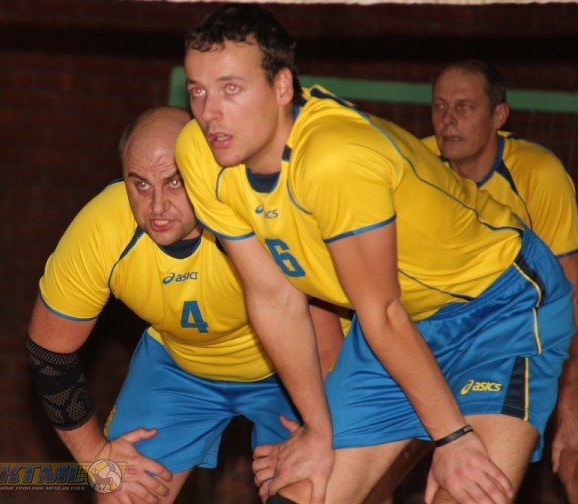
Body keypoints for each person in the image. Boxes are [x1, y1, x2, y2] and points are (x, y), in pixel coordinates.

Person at [175, 5, 575, 504]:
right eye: (198, 91)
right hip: (395, 324)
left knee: (469, 491)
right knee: (304, 492)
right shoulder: (198, 153)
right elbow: (273, 297)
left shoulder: (334, 158)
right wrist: (318, 428)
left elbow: (381, 310)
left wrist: (451, 437)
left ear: (281, 87)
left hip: (499, 307)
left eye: (231, 88)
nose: (209, 113)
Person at [26, 106, 343, 503]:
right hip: (179, 367)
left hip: (290, 366)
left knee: (310, 490)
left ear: (202, 168)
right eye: (141, 185)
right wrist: (95, 458)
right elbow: (49, 355)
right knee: (120, 492)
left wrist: (321, 432)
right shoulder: (103, 226)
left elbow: (325, 347)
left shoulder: (255, 213)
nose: (157, 206)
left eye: (175, 181)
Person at [364, 59, 578, 504]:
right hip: (428, 335)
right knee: (367, 476)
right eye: (439, 106)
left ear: (499, 115)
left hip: (508, 337)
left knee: (567, 457)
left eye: (464, 107)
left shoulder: (539, 174)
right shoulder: (413, 163)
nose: (448, 119)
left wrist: (571, 398)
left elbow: (570, 293)